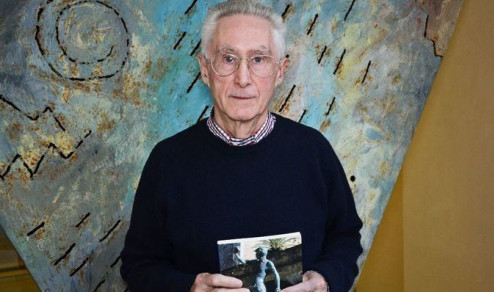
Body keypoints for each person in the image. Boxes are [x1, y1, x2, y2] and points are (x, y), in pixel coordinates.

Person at [120, 0, 363, 291]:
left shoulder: (314, 151)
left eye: (258, 59)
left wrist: (325, 280)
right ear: (205, 69)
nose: (243, 79)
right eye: (228, 59)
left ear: (280, 70)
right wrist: (189, 287)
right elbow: (137, 265)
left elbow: (345, 237)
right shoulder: (168, 160)